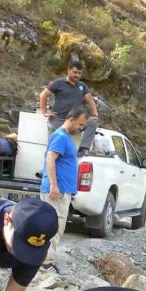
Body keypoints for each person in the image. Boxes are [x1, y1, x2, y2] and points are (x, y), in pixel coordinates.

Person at [38, 106, 89, 271]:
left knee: (56, 226)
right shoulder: (60, 136)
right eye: (80, 125)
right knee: (54, 226)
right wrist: (54, 185)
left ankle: (45, 260)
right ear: (71, 119)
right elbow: (50, 159)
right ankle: (46, 263)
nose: (81, 129)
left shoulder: (65, 137)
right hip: (56, 192)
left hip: (61, 190)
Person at [39, 59, 100, 156]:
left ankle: (82, 150)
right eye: (75, 72)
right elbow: (43, 95)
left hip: (75, 121)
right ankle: (48, 165)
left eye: (79, 73)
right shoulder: (58, 83)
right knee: (52, 149)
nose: (77, 75)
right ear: (68, 70)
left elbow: (90, 99)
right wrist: (44, 112)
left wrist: (95, 114)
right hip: (58, 120)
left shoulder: (82, 86)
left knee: (93, 122)